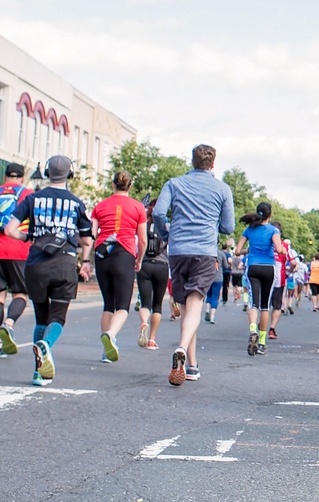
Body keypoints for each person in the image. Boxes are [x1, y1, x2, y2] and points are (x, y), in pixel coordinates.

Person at [3, 154, 93, 385]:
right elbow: (87, 240)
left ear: (46, 173)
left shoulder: (32, 199)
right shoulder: (76, 203)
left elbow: (11, 229)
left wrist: (29, 237)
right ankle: (47, 345)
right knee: (58, 317)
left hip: (36, 264)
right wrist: (85, 261)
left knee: (41, 318)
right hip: (64, 264)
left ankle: (38, 372)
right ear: (69, 174)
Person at [153, 144, 235, 386]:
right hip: (205, 251)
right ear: (212, 164)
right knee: (195, 305)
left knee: (187, 308)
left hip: (178, 250)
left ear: (192, 161)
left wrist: (166, 234)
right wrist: (210, 224)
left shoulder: (174, 183)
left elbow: (158, 213)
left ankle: (192, 364)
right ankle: (181, 349)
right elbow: (228, 227)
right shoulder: (222, 188)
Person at [90, 170, 147, 362]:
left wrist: (86, 261)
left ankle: (106, 352)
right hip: (125, 254)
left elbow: (92, 233)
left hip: (102, 254)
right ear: (130, 186)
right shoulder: (138, 207)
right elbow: (143, 240)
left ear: (113, 185)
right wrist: (139, 259)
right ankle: (111, 335)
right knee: (123, 306)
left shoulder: (100, 206)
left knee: (108, 304)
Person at [235, 202, 282, 356]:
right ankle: (261, 342)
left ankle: (252, 329)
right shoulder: (273, 230)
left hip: (253, 266)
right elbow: (280, 249)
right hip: (269, 267)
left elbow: (237, 251)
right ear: (270, 215)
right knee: (265, 305)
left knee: (253, 303)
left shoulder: (249, 230)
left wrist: (248, 250)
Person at [0, 163, 32, 357]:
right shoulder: (27, 194)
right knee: (20, 294)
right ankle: (8, 324)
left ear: (5, 177)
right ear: (22, 177)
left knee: (0, 295)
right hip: (19, 249)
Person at [137, 202, 169, 351]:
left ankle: (144, 322)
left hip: (145, 265)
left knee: (145, 302)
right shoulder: (167, 228)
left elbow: (138, 242)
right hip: (162, 266)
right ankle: (152, 339)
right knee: (157, 304)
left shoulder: (141, 226)